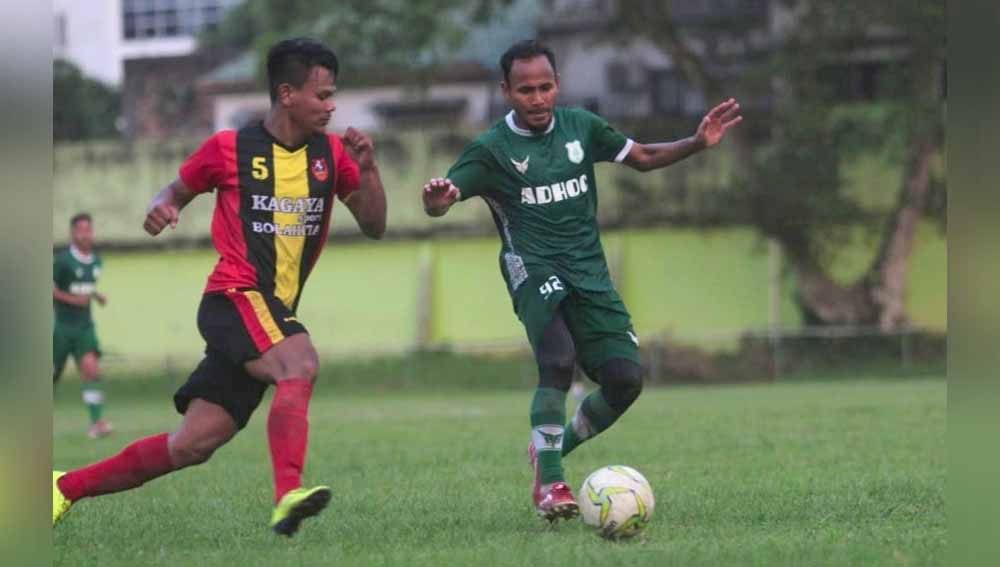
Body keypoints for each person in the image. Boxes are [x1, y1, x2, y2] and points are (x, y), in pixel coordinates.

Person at [53, 37, 387, 537]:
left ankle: (60, 488)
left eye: (333, 95)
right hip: (233, 298)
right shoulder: (230, 148)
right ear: (288, 93)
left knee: (192, 444)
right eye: (323, 95)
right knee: (301, 363)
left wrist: (371, 169)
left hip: (269, 312)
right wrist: (164, 205)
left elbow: (374, 224)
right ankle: (287, 494)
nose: (332, 105)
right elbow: (176, 188)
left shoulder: (332, 155)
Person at [422, 39, 741, 521]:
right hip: (532, 268)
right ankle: (551, 485)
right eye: (525, 89)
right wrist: (438, 198)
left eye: (545, 87)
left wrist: (696, 143)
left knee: (624, 380)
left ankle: (549, 449)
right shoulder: (490, 150)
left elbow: (644, 156)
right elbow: (443, 199)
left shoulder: (581, 128)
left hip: (589, 270)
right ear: (506, 91)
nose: (537, 98)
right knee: (557, 360)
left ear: (558, 85)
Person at [54, 212, 113, 439]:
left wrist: (96, 296)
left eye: (88, 230)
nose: (85, 234)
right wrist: (73, 300)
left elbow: (84, 287)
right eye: (80, 230)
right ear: (72, 233)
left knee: (91, 369)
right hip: (60, 328)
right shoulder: (63, 261)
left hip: (84, 327)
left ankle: (97, 423)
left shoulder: (97, 261)